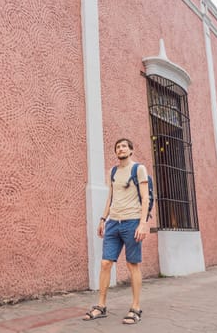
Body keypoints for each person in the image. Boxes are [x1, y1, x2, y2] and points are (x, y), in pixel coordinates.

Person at [83, 138, 149, 325]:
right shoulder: (112, 171)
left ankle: (135, 308)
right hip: (113, 222)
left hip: (132, 222)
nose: (120, 149)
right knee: (105, 263)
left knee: (132, 265)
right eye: (118, 147)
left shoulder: (139, 169)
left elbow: (145, 198)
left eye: (124, 146)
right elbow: (110, 198)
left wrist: (143, 223)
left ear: (131, 150)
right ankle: (101, 306)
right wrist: (103, 219)